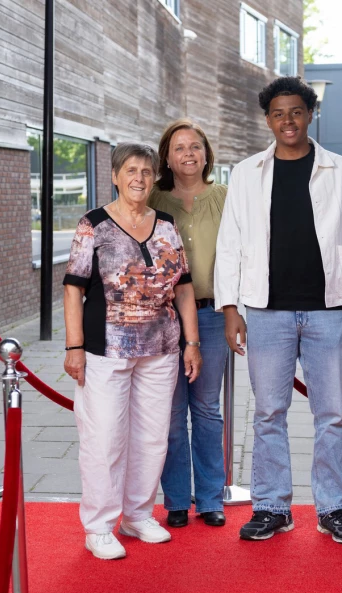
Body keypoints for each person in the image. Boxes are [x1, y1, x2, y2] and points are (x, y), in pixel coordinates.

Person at [215, 76, 342, 545]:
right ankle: (271, 506)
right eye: (278, 113)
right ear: (268, 120)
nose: (288, 121)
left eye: (296, 112)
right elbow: (229, 244)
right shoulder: (246, 173)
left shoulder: (341, 170)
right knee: (268, 412)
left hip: (331, 309)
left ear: (310, 115)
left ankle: (334, 507)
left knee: (334, 414)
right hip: (266, 312)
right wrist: (230, 307)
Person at [63, 142, 202, 560]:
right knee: (104, 437)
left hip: (162, 348)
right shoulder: (94, 225)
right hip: (105, 349)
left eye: (145, 171)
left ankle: (138, 515)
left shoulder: (166, 224)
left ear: (153, 177)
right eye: (130, 170)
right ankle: (99, 526)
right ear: (115, 176)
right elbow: (73, 290)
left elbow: (184, 289)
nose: (139, 178)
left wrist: (191, 343)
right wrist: (74, 347)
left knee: (152, 437)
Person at [148, 119, 228, 528]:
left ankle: (211, 497)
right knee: (171, 412)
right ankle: (177, 499)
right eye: (179, 148)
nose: (188, 154)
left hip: (211, 315)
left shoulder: (225, 197)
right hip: (163, 318)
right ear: (167, 156)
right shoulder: (152, 198)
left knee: (208, 410)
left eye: (195, 146)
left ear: (206, 153)